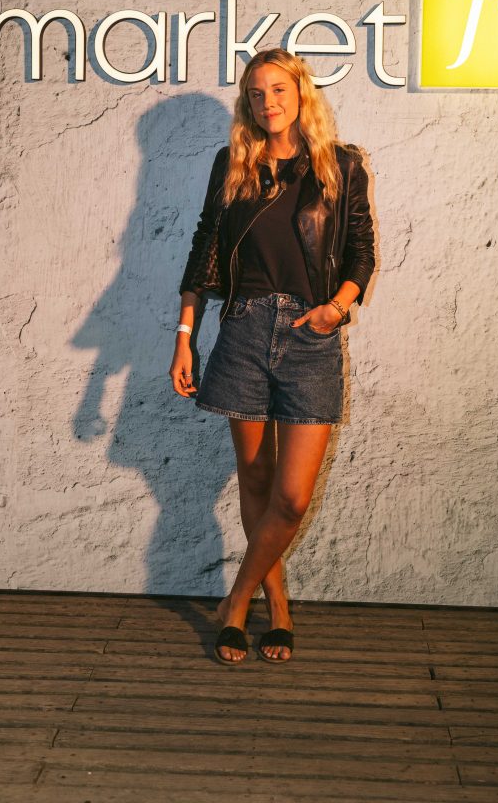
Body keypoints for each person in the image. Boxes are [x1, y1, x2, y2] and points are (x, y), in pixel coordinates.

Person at [169, 47, 375, 665]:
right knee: (256, 480)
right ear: (247, 103)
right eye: (256, 93)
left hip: (310, 336)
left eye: (279, 90)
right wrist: (184, 334)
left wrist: (336, 307)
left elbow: (361, 248)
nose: (268, 103)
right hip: (244, 331)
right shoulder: (233, 164)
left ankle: (236, 599)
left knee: (291, 498)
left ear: (301, 92)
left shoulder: (340, 165)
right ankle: (277, 607)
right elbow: (205, 247)